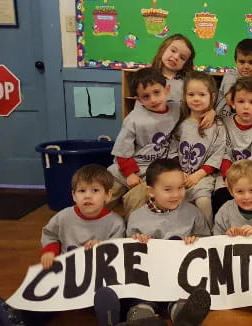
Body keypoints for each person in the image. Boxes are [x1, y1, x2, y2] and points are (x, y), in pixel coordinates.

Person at [0, 164, 125, 326]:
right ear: (73, 195)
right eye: (82, 191)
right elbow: (50, 234)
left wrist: (103, 246)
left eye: (95, 191)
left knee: (109, 294)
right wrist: (50, 251)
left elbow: (119, 250)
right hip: (67, 273)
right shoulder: (63, 217)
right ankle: (17, 317)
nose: (87, 196)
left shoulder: (115, 222)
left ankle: (111, 318)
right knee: (46, 295)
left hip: (98, 275)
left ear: (108, 195)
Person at [95, 158, 211, 326]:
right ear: (151, 191)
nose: (176, 194)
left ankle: (184, 318)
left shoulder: (193, 213)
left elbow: (206, 242)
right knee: (140, 304)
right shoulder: (136, 218)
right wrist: (137, 242)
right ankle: (139, 318)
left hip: (178, 280)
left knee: (181, 301)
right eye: (168, 189)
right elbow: (128, 257)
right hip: (146, 282)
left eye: (181, 188)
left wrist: (195, 240)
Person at [107, 68, 180, 217]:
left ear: (167, 90)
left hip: (153, 170)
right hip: (127, 167)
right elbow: (122, 150)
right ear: (139, 100)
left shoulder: (176, 109)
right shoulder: (134, 119)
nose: (153, 100)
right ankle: (90, 220)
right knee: (104, 192)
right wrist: (130, 173)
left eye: (157, 92)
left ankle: (132, 229)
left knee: (138, 197)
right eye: (146, 96)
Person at [169, 71, 226, 228]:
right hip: (179, 174)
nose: (196, 99)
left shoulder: (218, 126)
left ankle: (207, 235)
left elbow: (218, 153)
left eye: (201, 94)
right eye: (191, 94)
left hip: (204, 177)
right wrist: (178, 172)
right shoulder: (180, 123)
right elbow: (172, 149)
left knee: (203, 202)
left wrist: (198, 175)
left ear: (212, 97)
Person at [212, 76, 252, 214]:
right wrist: (231, 177)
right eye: (241, 101)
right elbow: (224, 153)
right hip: (230, 174)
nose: (246, 106)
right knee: (220, 196)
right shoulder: (224, 124)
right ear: (233, 103)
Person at [215, 38, 252, 118]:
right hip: (223, 122)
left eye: (251, 62)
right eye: (242, 62)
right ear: (236, 61)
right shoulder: (231, 74)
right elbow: (230, 99)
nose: (246, 66)